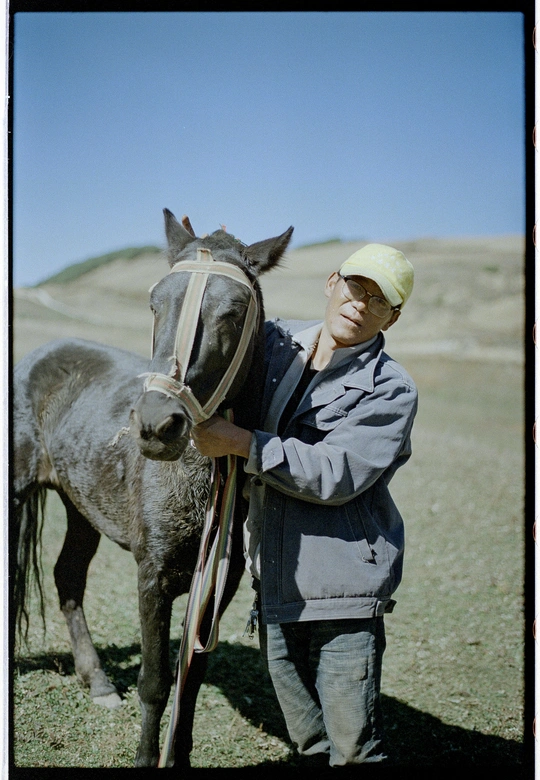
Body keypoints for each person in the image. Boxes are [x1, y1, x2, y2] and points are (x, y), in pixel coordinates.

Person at [191, 243, 418, 767]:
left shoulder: (391, 389)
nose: (361, 304)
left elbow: (336, 473)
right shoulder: (277, 343)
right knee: (309, 741)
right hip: (276, 576)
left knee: (353, 749)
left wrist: (242, 442)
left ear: (394, 317)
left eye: (379, 301)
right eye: (357, 287)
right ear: (332, 282)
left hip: (343, 590)